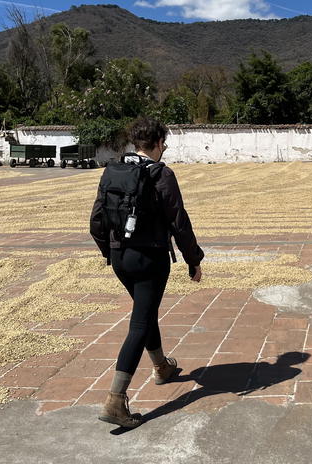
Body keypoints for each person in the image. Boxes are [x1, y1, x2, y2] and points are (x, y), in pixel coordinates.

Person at [90, 117, 204, 428]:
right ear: (153, 144)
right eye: (162, 143)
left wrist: (109, 252)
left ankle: (162, 367)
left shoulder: (114, 170)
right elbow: (179, 221)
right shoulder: (161, 174)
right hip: (149, 260)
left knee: (146, 309)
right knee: (140, 322)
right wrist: (194, 260)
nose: (164, 147)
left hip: (119, 257)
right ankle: (115, 400)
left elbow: (97, 219)